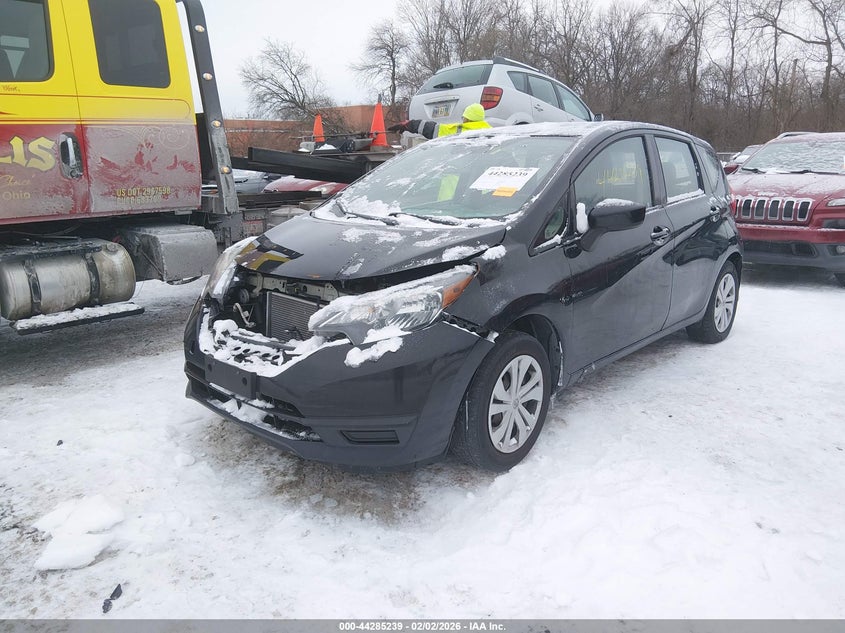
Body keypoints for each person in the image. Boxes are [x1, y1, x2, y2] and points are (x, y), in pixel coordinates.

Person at [388, 103, 491, 139]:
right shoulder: (492, 133)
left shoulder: (460, 131)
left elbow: (430, 129)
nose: (463, 120)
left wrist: (408, 125)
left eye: (463, 117)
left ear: (468, 118)